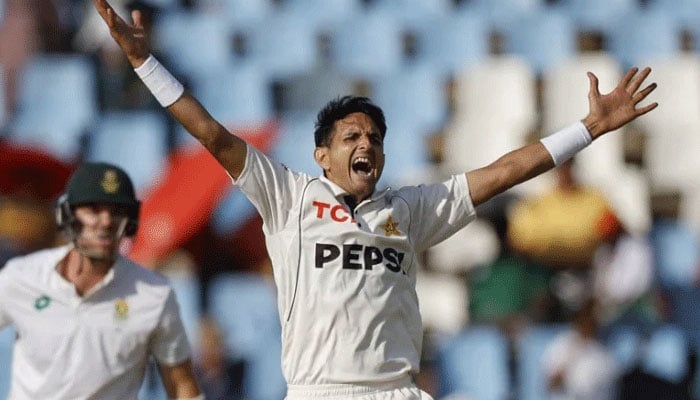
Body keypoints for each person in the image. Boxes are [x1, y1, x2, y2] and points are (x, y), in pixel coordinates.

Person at [92, 1, 658, 398]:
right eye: (352, 137)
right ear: (321, 155)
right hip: (319, 393)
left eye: (375, 138)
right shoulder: (287, 196)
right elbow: (212, 134)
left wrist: (587, 127)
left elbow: (504, 172)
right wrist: (145, 63)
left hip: (397, 393)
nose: (367, 144)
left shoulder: (409, 210)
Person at [0, 161, 202, 399]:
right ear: (68, 215)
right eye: (93, 210)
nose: (106, 222)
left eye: (117, 211)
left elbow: (181, 384)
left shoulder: (154, 295)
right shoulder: (21, 277)